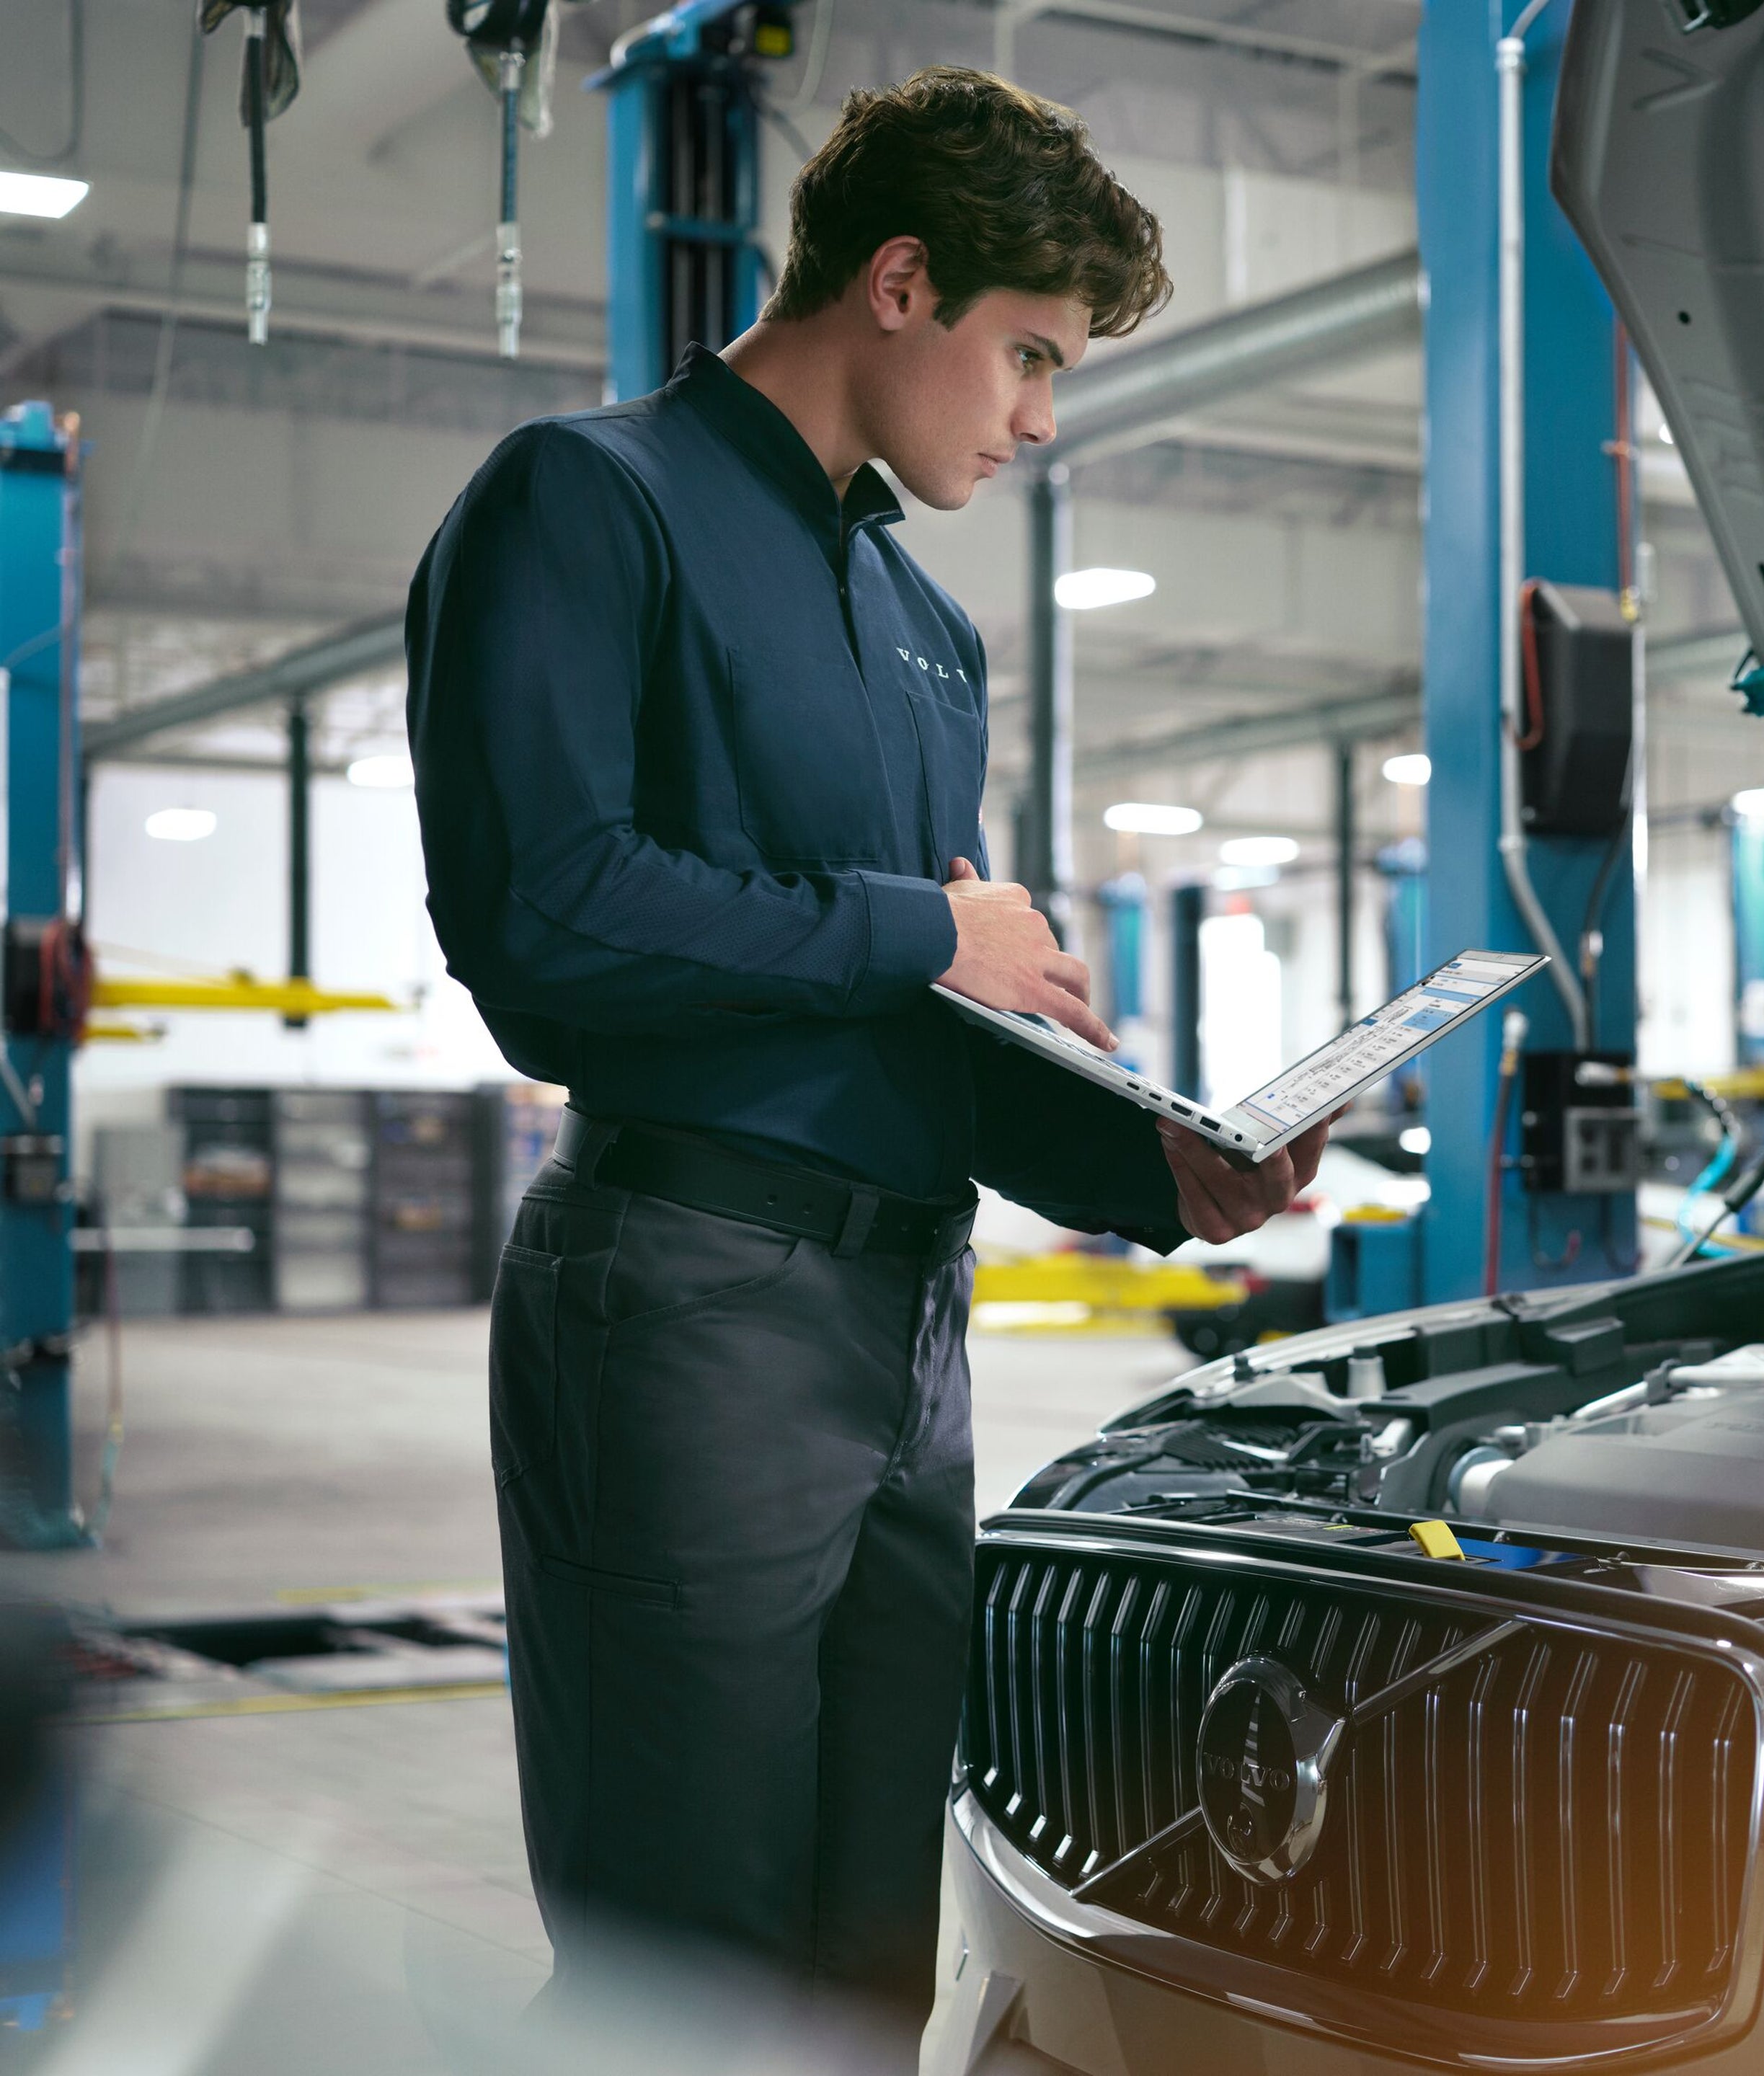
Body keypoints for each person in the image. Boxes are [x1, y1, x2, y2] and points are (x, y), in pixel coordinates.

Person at [404, 67, 1326, 2065]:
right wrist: (931, 925)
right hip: (686, 1301)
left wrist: (1153, 1171)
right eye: (1027, 358)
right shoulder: (590, 501)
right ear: (899, 284)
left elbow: (912, 1027)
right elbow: (543, 921)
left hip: (906, 1319)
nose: (1038, 422)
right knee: (692, 1967)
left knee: (855, 1960)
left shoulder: (924, 631)